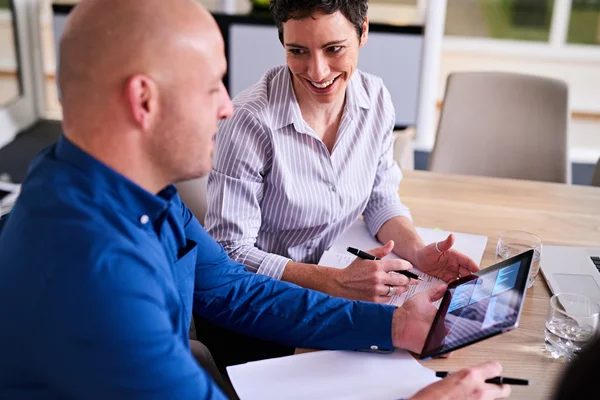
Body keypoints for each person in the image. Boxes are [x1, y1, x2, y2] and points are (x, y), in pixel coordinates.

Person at [0, 0, 507, 399]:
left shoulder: (136, 191)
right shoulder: (96, 281)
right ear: (144, 101)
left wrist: (395, 324)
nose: (227, 107)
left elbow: (232, 290)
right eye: (210, 87)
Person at [202, 0, 480, 369]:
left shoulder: (376, 98)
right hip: (263, 312)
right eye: (297, 51)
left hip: (342, 292)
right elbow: (229, 255)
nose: (317, 71)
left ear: (363, 32)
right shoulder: (250, 122)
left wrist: (419, 251)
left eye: (334, 49)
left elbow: (380, 197)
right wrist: (335, 282)